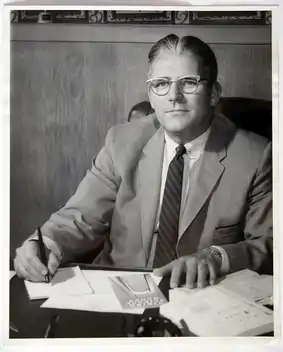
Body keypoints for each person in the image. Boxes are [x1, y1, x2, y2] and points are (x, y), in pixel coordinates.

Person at [14, 34, 272, 290]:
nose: (174, 96)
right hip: (118, 292)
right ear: (151, 94)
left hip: (204, 298)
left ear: (213, 93)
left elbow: (270, 243)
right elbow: (81, 216)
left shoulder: (254, 156)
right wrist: (45, 244)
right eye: (161, 84)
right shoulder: (121, 142)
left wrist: (217, 257)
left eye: (189, 83)